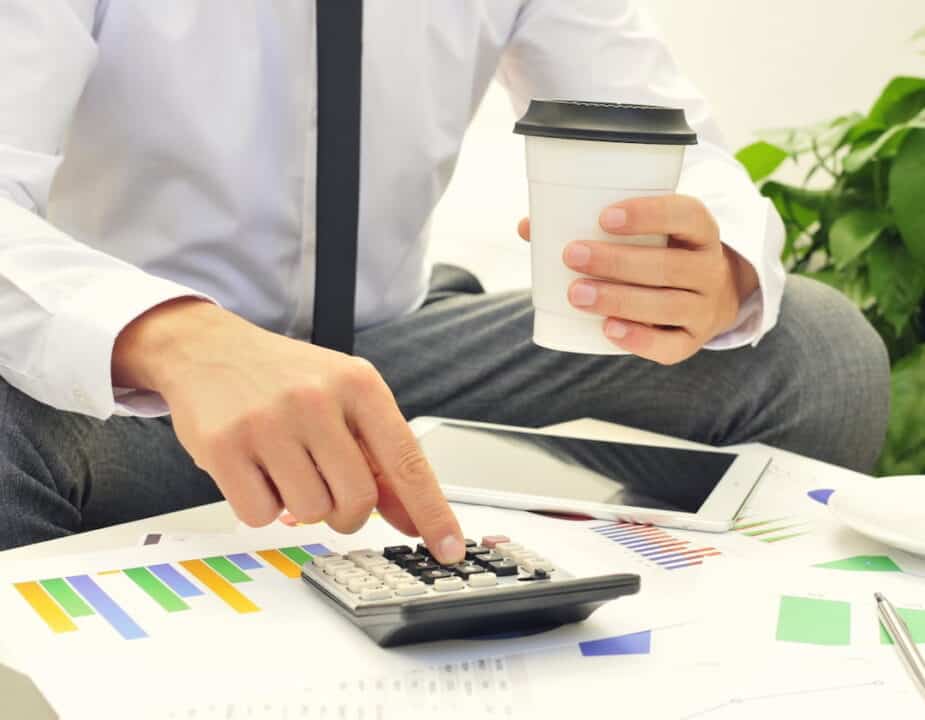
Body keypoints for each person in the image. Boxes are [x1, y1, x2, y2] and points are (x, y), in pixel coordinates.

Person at [0, 1, 889, 556]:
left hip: (391, 371)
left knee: (813, 345)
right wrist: (174, 337)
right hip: (123, 406)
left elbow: (669, 140)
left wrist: (713, 262)